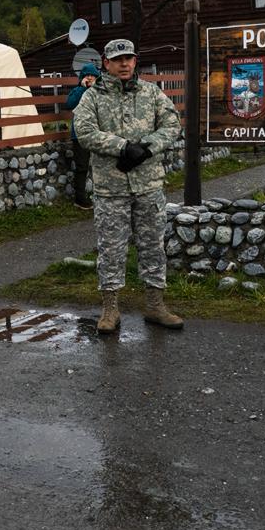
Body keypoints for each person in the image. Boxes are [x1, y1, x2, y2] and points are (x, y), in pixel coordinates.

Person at [73, 38, 183, 333]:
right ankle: (110, 309)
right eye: (117, 59)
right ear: (106, 63)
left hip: (148, 186)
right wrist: (122, 147)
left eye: (128, 58)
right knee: (111, 250)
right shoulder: (92, 97)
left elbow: (172, 124)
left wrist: (146, 148)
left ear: (135, 61)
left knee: (153, 247)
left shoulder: (151, 92)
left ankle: (155, 305)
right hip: (111, 190)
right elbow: (84, 131)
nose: (124, 64)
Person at [64, 61, 101, 209]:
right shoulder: (77, 90)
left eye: (93, 75)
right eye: (87, 75)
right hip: (79, 135)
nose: (90, 77)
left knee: (102, 165)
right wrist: (82, 88)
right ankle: (80, 199)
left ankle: (102, 195)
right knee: (82, 167)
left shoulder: (100, 91)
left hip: (98, 133)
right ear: (82, 77)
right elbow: (70, 104)